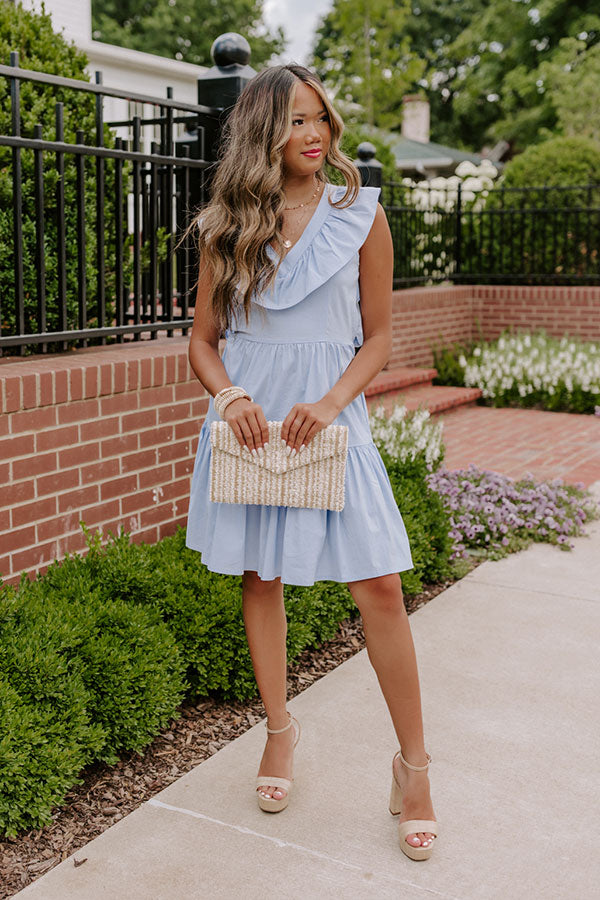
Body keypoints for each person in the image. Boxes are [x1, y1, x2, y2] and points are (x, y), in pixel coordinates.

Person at [185, 63, 438, 861]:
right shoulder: (227, 225)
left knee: (382, 587)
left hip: (331, 419)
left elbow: (380, 338)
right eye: (297, 120)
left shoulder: (360, 215)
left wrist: (332, 403)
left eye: (322, 117)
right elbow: (202, 341)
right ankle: (279, 732)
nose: (317, 133)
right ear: (265, 131)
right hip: (256, 426)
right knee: (263, 577)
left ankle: (416, 768)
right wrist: (229, 397)